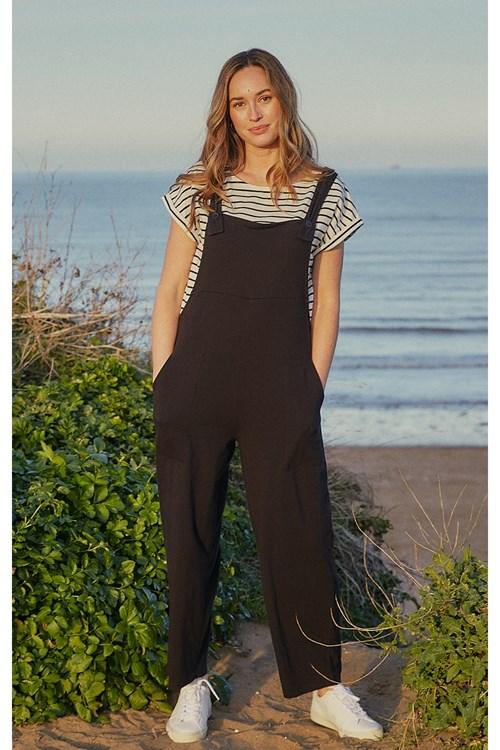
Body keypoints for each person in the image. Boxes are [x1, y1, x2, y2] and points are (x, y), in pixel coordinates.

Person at [151, 48, 383, 744]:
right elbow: (169, 290)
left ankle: (324, 689)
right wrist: (165, 379)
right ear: (226, 114)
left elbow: (327, 302)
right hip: (195, 384)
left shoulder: (325, 192)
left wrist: (309, 388)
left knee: (300, 536)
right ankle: (190, 683)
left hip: (281, 390)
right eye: (238, 103)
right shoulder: (200, 189)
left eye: (263, 99)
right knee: (189, 536)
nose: (253, 114)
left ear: (283, 100)